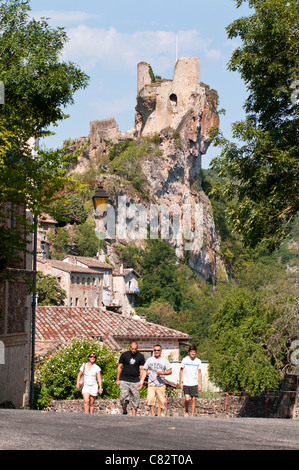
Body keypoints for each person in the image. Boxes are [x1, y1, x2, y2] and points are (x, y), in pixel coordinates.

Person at [139, 344, 172, 417]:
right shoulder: (149, 360)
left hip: (161, 384)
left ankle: (159, 415)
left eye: (158, 350)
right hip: (151, 383)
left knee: (161, 400)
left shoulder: (165, 361)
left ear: (161, 351)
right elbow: (144, 370)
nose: (156, 352)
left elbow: (170, 371)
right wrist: (141, 380)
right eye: (155, 350)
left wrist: (162, 373)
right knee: (150, 398)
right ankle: (153, 414)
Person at [116, 341, 145, 416]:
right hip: (124, 380)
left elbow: (142, 369)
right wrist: (117, 379)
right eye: (132, 349)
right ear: (130, 348)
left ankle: (133, 416)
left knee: (135, 398)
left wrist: (141, 381)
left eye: (135, 349)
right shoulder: (124, 355)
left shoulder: (140, 356)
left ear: (137, 349)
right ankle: (124, 410)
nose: (134, 350)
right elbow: (119, 367)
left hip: (135, 381)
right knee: (123, 398)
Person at [179, 345, 202, 417]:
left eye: (194, 352)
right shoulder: (185, 360)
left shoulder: (198, 361)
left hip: (194, 383)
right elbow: (181, 371)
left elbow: (199, 372)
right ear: (189, 352)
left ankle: (192, 414)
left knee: (194, 399)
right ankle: (186, 411)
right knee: (187, 399)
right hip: (186, 382)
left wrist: (200, 384)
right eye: (191, 352)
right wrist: (180, 382)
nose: (193, 353)